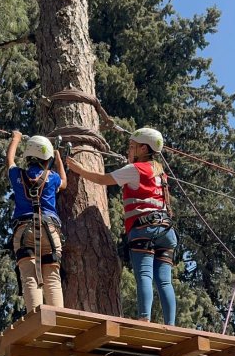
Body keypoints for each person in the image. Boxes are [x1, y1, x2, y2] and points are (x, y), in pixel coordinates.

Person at [67, 127, 177, 324]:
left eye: (132, 147)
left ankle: (144, 319)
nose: (129, 150)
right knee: (164, 281)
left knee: (144, 274)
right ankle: (171, 325)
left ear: (143, 148)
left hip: (145, 229)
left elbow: (103, 179)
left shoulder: (135, 170)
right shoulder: (160, 173)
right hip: (167, 231)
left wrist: (79, 170)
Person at [7, 130, 67, 311]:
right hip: (50, 231)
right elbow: (64, 182)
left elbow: (10, 161)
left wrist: (15, 139)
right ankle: (58, 319)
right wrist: (58, 159)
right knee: (52, 277)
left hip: (24, 231)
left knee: (29, 275)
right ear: (47, 159)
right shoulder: (52, 178)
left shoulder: (17, 175)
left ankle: (36, 319)